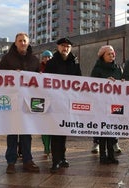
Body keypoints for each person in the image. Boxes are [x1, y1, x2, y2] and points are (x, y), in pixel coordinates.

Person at [0, 32, 40, 174]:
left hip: (27, 102)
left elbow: (39, 80)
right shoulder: (7, 59)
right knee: (12, 132)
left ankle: (27, 160)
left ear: (28, 43)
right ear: (15, 43)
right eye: (20, 41)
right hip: (11, 100)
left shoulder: (34, 60)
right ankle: (11, 162)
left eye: (25, 41)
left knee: (26, 133)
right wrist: (12, 74)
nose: (23, 43)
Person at [44, 37, 82, 173]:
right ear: (58, 47)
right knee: (55, 132)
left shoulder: (75, 62)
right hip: (55, 102)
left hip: (68, 102)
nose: (65, 48)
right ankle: (55, 160)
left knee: (64, 130)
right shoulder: (52, 63)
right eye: (63, 46)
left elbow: (79, 80)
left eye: (68, 46)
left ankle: (63, 157)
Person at [90, 45, 122, 164]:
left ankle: (111, 155)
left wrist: (122, 82)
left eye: (113, 54)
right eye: (108, 54)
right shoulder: (97, 68)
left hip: (115, 103)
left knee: (112, 130)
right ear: (102, 55)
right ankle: (103, 156)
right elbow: (92, 84)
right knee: (103, 130)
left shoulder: (118, 68)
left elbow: (122, 82)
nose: (111, 56)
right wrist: (104, 82)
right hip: (101, 103)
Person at [40, 50, 53, 156]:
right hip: (41, 99)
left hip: (53, 99)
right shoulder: (38, 68)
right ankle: (46, 146)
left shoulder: (55, 68)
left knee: (53, 125)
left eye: (49, 57)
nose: (47, 59)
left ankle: (52, 147)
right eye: (45, 57)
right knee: (43, 126)